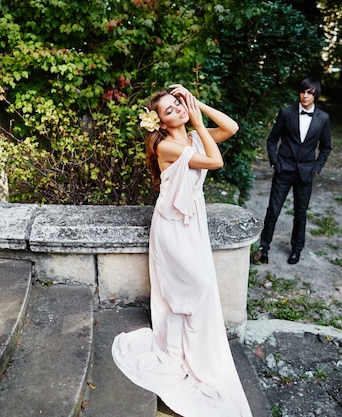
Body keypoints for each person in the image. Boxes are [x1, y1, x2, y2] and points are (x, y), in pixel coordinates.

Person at [112, 84, 253, 417]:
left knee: (196, 291)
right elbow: (215, 161)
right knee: (197, 288)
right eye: (170, 109)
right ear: (160, 122)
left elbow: (232, 128)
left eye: (178, 103)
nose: (177, 109)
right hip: (173, 227)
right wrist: (199, 123)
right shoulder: (168, 146)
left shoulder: (189, 138)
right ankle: (189, 352)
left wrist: (197, 103)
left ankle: (197, 348)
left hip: (193, 223)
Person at [254, 78, 332, 265]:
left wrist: (317, 168)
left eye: (310, 93)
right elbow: (272, 140)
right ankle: (264, 248)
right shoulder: (286, 113)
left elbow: (326, 147)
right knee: (273, 210)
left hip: (306, 172)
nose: (305, 96)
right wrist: (275, 162)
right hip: (284, 169)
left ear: (315, 96)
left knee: (300, 213)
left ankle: (296, 249)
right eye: (303, 92)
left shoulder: (323, 118)